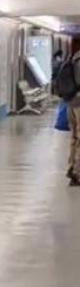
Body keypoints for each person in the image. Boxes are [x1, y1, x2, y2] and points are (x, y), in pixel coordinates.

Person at [63, 48, 80, 185]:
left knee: (74, 137)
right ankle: (77, 172)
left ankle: (72, 166)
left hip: (71, 103)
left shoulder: (74, 58)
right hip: (79, 103)